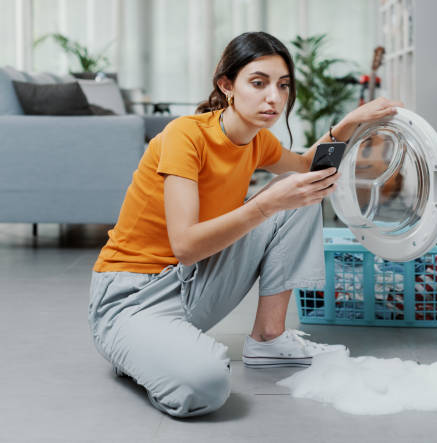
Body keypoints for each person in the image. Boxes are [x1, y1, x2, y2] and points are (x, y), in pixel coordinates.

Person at [88, 31, 401, 418]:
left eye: (283, 86)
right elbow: (184, 244)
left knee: (300, 188)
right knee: (206, 384)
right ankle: (142, 348)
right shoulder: (185, 136)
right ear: (227, 85)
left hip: (194, 280)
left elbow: (307, 166)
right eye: (258, 83)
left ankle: (268, 338)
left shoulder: (258, 141)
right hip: (132, 297)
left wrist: (348, 123)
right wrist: (265, 205)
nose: (274, 97)